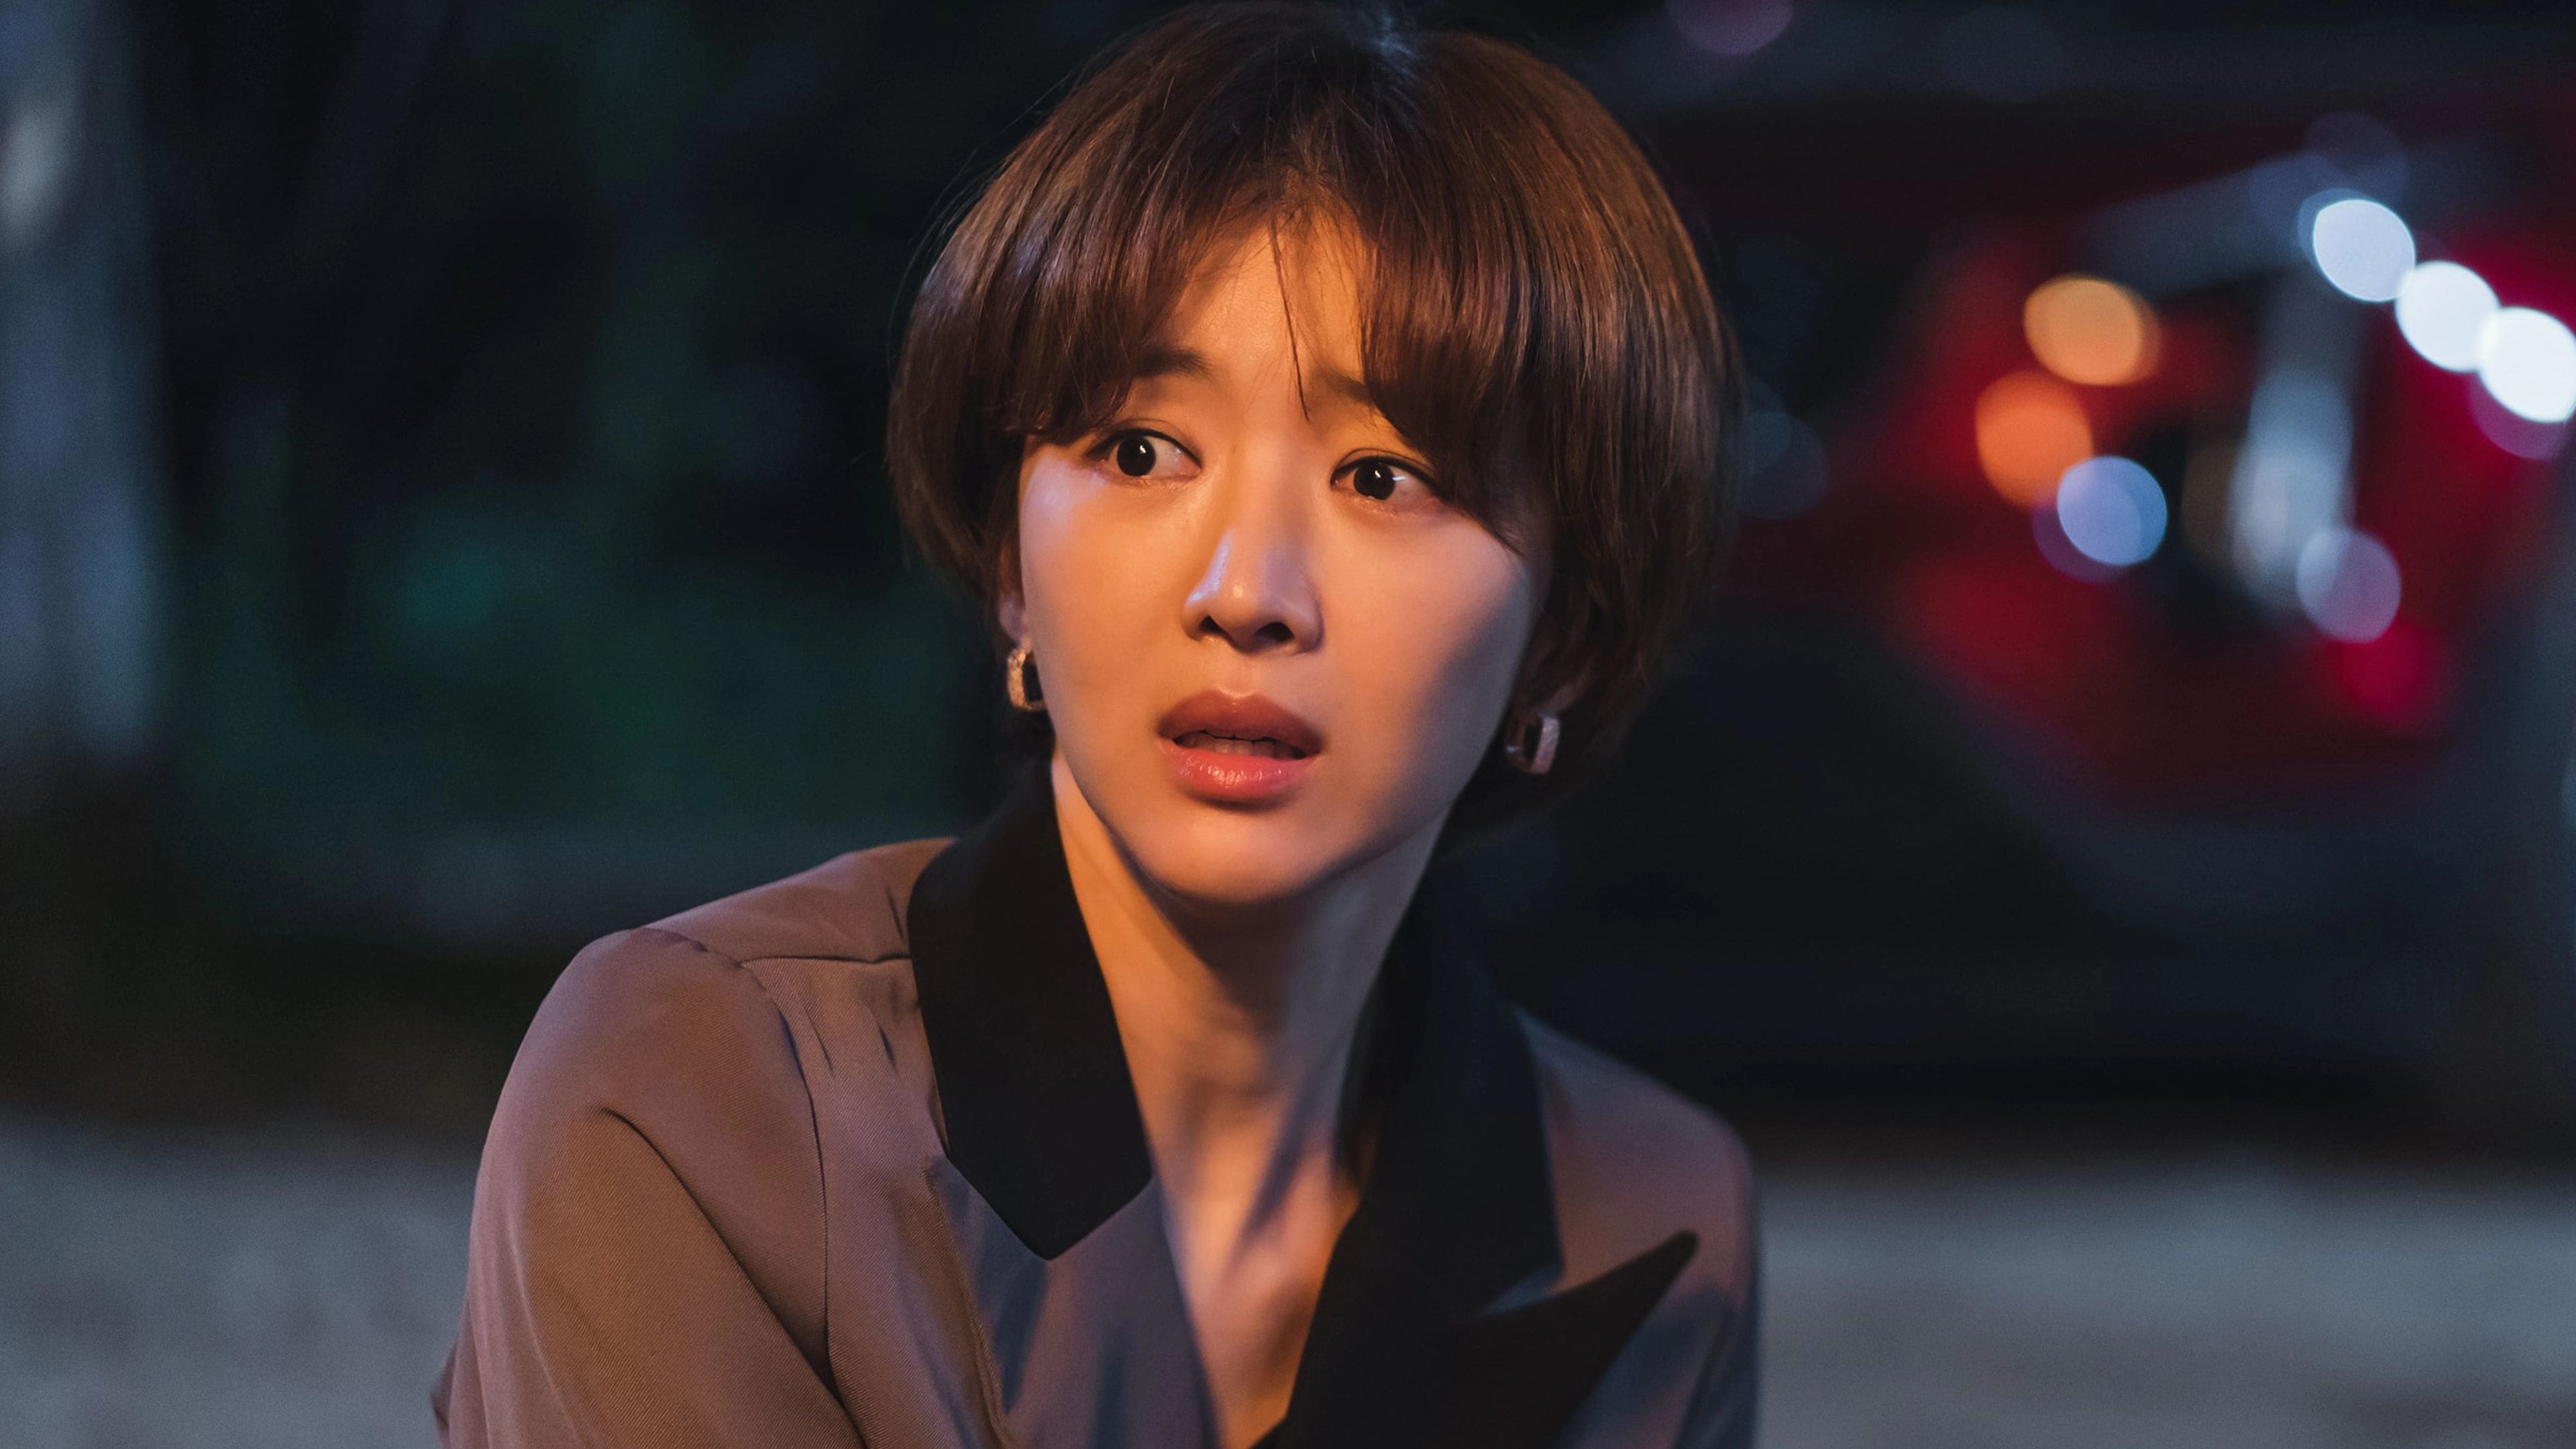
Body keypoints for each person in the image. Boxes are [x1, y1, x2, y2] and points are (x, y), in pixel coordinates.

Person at [431, 4, 1754, 1445]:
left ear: (1566, 639)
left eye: (1383, 478)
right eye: (1139, 450)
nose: (1245, 592)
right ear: (1013, 561)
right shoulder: (712, 1092)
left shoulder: (1657, 1223)